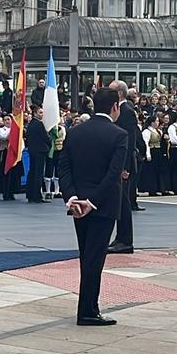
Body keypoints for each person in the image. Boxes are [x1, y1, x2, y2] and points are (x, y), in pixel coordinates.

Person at [59, 87, 127, 326]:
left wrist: (72, 197)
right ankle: (88, 311)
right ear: (115, 106)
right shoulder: (119, 135)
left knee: (85, 256)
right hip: (102, 206)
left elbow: (64, 168)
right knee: (94, 259)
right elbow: (113, 175)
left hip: (78, 205)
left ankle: (88, 307)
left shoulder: (75, 132)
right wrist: (94, 202)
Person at [108, 81, 137, 254]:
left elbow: (129, 140)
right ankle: (120, 237)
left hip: (124, 165)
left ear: (119, 93)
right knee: (120, 202)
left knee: (124, 203)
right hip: (120, 164)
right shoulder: (120, 110)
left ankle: (125, 240)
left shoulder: (127, 112)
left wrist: (125, 167)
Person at [25, 106, 50, 203]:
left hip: (32, 150)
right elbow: (45, 138)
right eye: (40, 112)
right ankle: (37, 196)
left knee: (32, 172)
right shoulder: (39, 124)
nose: (42, 114)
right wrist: (50, 141)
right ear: (35, 113)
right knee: (38, 174)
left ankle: (30, 194)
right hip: (40, 151)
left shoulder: (30, 124)